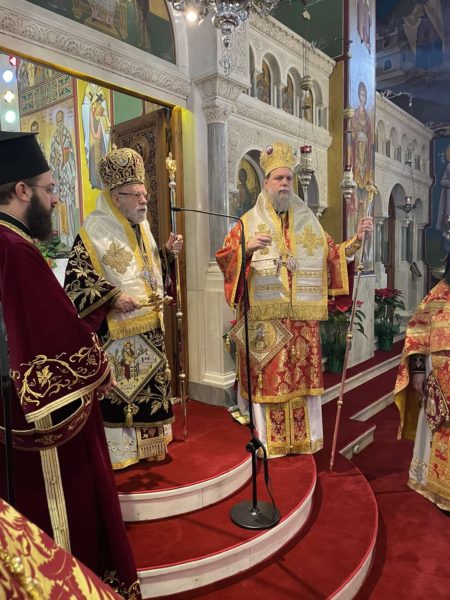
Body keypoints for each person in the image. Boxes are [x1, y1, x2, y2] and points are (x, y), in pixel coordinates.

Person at [0, 131, 141, 598]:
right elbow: (47, 328)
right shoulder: (14, 248)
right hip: (36, 416)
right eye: (51, 189)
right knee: (65, 510)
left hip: (10, 403)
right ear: (23, 190)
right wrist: (98, 367)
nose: (57, 199)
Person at [216, 141, 373, 458]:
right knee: (270, 381)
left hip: (302, 323)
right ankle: (270, 441)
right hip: (267, 322)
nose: (285, 184)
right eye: (279, 178)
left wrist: (356, 240)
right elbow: (225, 259)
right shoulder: (246, 223)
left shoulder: (308, 222)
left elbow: (332, 255)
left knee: (300, 381)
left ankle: (304, 439)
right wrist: (246, 250)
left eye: (289, 178)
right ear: (266, 183)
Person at [64, 146, 183, 470]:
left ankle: (150, 447)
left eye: (145, 194)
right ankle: (122, 453)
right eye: (137, 195)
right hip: (116, 334)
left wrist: (165, 254)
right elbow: (76, 282)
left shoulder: (141, 226)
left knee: (150, 389)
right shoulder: (93, 231)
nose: (144, 201)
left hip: (149, 324)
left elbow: (147, 271)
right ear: (116, 197)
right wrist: (113, 297)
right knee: (123, 394)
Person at [394, 258, 450, 512]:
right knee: (440, 427)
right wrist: (417, 370)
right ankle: (439, 487)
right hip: (440, 376)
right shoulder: (438, 295)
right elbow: (417, 332)